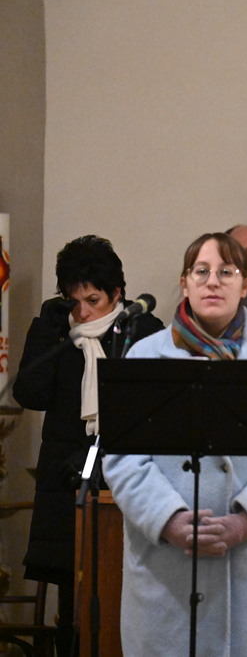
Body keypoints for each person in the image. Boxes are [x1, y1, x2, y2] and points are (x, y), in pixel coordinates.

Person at [102, 232, 247, 656]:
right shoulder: (144, 357)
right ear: (184, 283)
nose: (212, 282)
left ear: (246, 284)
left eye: (227, 272)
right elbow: (123, 458)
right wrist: (168, 519)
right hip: (168, 570)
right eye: (200, 271)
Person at [12, 235, 163, 656]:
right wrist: (47, 328)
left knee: (121, 594)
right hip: (65, 482)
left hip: (123, 482)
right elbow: (30, 393)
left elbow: (152, 415)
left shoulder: (142, 331)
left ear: (117, 293)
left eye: (93, 300)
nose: (82, 312)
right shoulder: (59, 332)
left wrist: (102, 453)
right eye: (73, 300)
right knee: (69, 602)